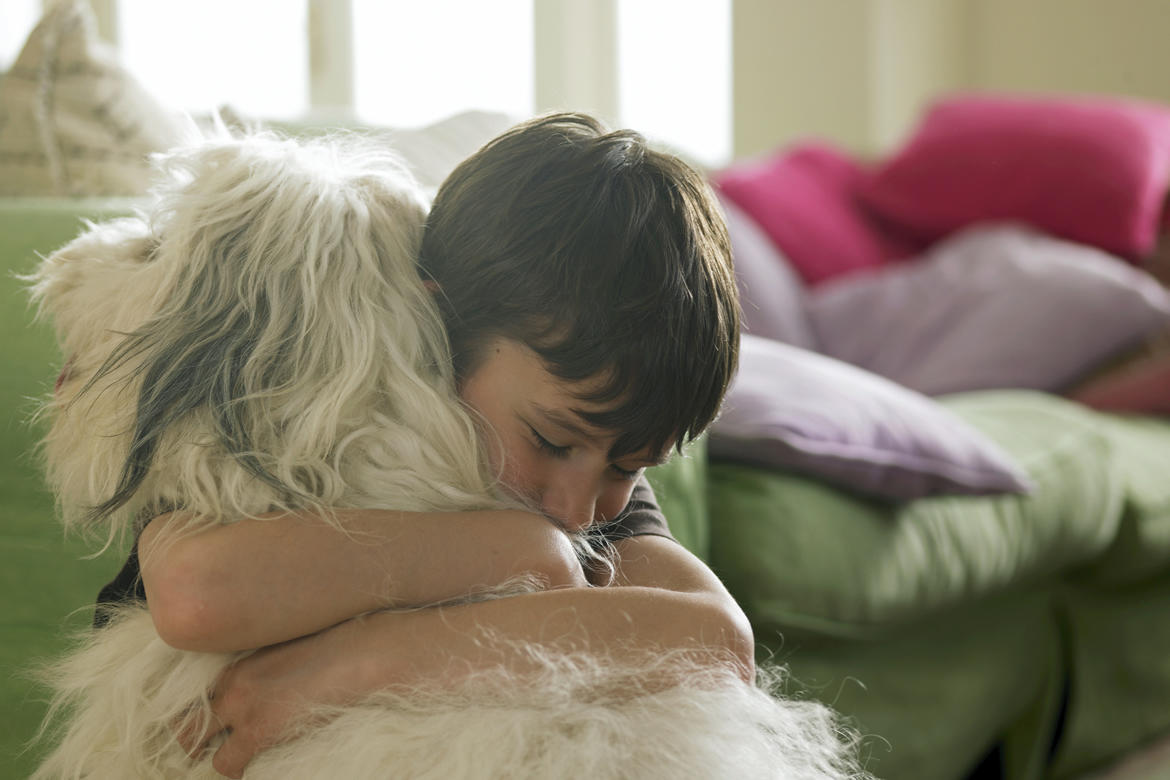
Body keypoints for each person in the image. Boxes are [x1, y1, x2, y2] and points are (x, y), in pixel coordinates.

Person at [102, 113, 747, 778]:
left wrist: (353, 667)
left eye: (630, 465)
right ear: (437, 328)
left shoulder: (578, 473)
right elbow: (194, 594)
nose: (581, 511)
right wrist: (520, 552)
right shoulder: (306, 415)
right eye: (553, 440)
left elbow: (719, 645)